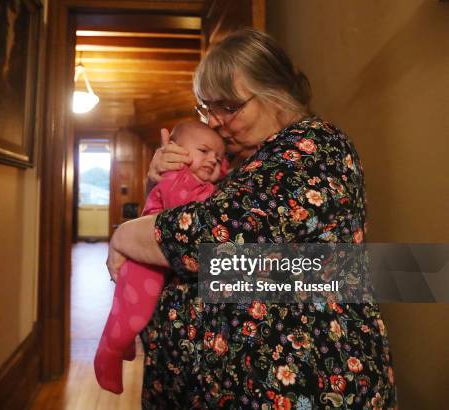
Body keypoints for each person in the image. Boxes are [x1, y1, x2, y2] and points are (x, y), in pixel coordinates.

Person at [106, 29, 397, 409]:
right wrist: (158, 184)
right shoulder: (247, 164)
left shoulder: (315, 147)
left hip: (303, 386)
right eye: (206, 109)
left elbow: (211, 237)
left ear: (275, 92)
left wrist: (124, 235)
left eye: (227, 107)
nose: (213, 122)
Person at [95, 120, 227, 394]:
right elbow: (184, 220)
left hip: (162, 259)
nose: (213, 160)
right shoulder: (177, 178)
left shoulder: (199, 179)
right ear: (176, 152)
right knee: (134, 311)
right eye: (203, 151)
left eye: (219, 157)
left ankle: (125, 341)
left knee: (133, 314)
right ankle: (109, 351)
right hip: (146, 258)